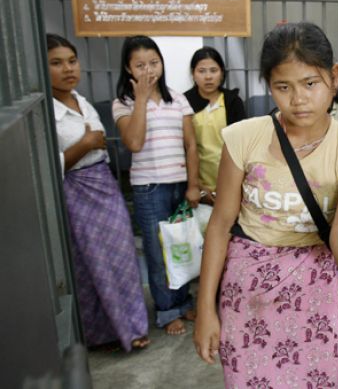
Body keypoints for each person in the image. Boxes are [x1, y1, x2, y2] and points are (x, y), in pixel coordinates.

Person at [193, 22, 338, 387]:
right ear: (269, 86)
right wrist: (205, 309)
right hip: (246, 289)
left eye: (310, 83)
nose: (298, 99)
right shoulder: (242, 138)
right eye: (283, 86)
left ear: (333, 77)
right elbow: (221, 223)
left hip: (314, 289)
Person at [48, 34, 149, 352]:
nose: (67, 69)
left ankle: (131, 326)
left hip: (103, 184)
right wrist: (85, 144)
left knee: (122, 259)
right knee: (91, 265)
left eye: (72, 61)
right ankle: (102, 332)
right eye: (56, 63)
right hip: (76, 189)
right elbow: (48, 165)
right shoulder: (46, 112)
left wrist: (93, 144)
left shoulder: (81, 100)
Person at [112, 35, 200, 336]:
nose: (149, 70)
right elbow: (134, 142)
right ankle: (166, 310)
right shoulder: (122, 103)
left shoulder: (177, 98)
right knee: (158, 251)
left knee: (182, 245)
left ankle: (183, 300)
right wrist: (140, 100)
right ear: (128, 68)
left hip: (179, 184)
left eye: (154, 62)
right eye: (140, 65)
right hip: (149, 188)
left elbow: (190, 145)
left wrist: (193, 184)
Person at [184, 47, 247, 205]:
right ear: (193, 74)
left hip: (232, 180)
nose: (208, 77)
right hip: (197, 185)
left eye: (213, 70)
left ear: (222, 73)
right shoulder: (184, 102)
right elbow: (183, 148)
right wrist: (198, 187)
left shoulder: (232, 101)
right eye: (202, 71)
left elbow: (242, 147)